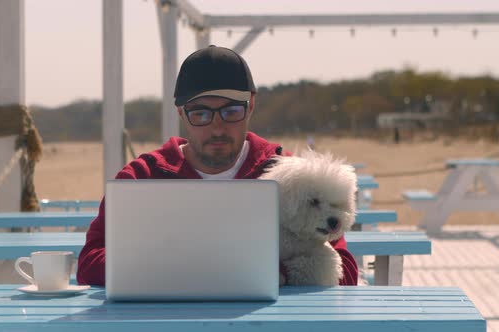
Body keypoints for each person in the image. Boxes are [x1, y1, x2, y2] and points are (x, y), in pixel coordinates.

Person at [77, 45, 358, 286]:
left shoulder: (292, 177)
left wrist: (278, 274)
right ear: (181, 113)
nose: (217, 127)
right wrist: (207, 271)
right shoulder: (142, 177)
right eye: (200, 113)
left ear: (250, 106)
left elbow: (345, 270)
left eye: (231, 111)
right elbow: (89, 264)